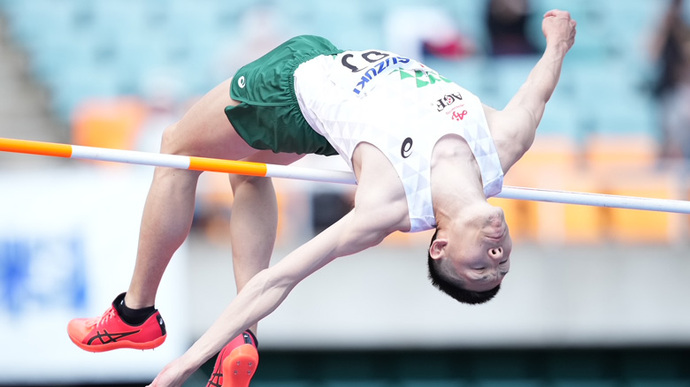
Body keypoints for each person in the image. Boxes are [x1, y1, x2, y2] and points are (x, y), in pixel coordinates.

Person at [67, 9, 576, 387]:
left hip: (289, 91)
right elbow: (539, 89)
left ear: (439, 247)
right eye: (501, 269)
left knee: (176, 147)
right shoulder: (505, 143)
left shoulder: (386, 206)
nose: (496, 261)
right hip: (327, 74)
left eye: (480, 271)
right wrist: (556, 43)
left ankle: (134, 316)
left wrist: (181, 366)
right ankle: (242, 339)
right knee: (244, 171)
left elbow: (281, 278)